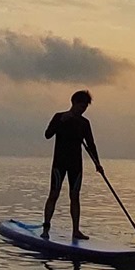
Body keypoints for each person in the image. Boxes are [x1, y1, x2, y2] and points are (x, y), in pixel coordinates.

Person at [43, 89, 104, 240]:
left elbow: (91, 144)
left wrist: (98, 163)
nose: (82, 110)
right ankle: (46, 228)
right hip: (59, 163)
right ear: (74, 103)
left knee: (75, 196)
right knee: (54, 194)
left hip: (76, 165)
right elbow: (47, 135)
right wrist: (61, 122)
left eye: (85, 108)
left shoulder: (84, 123)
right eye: (80, 106)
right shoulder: (59, 117)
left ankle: (76, 231)